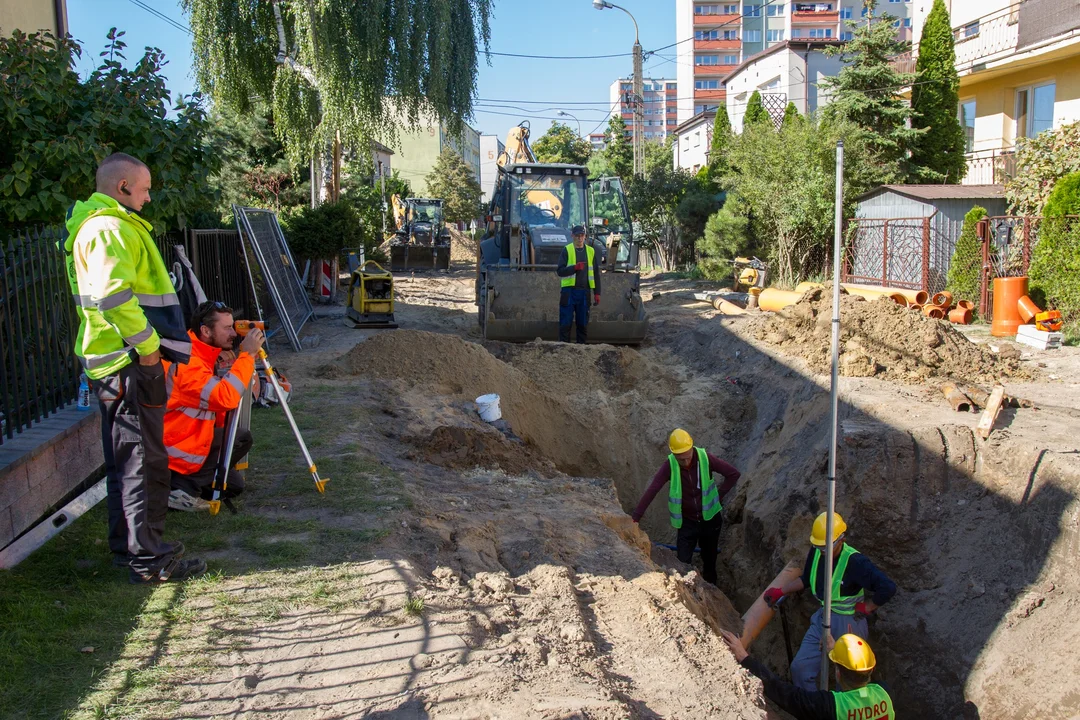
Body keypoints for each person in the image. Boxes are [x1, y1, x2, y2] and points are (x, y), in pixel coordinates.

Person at [64, 152, 204, 583]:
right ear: (123, 187)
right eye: (143, 190)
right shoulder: (108, 229)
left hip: (115, 361)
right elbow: (114, 297)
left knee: (127, 460)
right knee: (144, 460)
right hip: (128, 362)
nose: (147, 199)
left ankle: (130, 552)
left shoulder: (100, 226)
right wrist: (146, 349)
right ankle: (150, 559)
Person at [763, 512, 897, 691]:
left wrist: (868, 607)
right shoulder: (817, 551)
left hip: (848, 624)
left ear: (841, 539)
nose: (822, 551)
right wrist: (781, 590)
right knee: (800, 669)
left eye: (826, 547)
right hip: (823, 618)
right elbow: (806, 580)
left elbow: (887, 587)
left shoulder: (855, 562)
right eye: (819, 546)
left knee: (849, 682)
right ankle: (814, 710)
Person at [164, 301, 265, 511]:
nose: (234, 333)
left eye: (233, 326)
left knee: (234, 485)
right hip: (173, 447)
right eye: (227, 328)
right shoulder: (187, 362)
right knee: (239, 438)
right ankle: (178, 490)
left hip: (188, 437)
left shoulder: (201, 354)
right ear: (205, 330)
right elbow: (225, 398)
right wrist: (247, 356)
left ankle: (190, 483)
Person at [631, 428, 740, 585]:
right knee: (681, 563)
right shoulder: (670, 465)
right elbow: (653, 488)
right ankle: (686, 593)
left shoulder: (705, 459)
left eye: (687, 457)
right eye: (680, 459)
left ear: (691, 448)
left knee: (709, 561)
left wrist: (719, 496)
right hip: (687, 523)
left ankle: (712, 592)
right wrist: (636, 517)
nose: (685, 462)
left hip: (710, 520)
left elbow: (733, 474)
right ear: (674, 454)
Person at [720, 630, 896, 720]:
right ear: (871, 670)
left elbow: (782, 692)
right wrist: (835, 651)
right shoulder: (884, 693)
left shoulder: (829, 706)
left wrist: (744, 658)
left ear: (838, 674)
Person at [555, 225, 601, 343]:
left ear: (585, 236)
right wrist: (574, 268)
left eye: (582, 236)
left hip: (584, 293)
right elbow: (560, 271)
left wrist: (597, 293)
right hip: (568, 292)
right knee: (565, 323)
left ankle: (581, 350)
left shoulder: (591, 251)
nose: (580, 238)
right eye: (577, 236)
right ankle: (564, 349)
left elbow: (596, 273)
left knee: (583, 324)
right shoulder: (567, 250)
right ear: (572, 236)